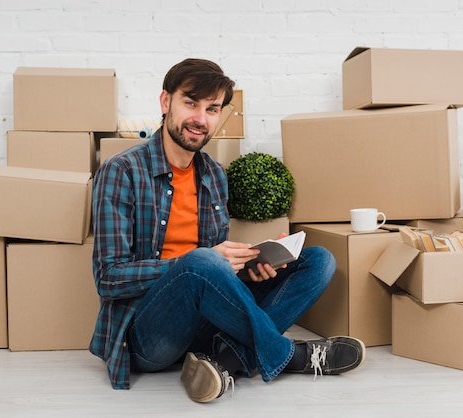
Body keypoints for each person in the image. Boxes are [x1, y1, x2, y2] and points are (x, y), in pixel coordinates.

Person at [89, 58, 366, 403]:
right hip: (149, 334)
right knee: (202, 262)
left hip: (207, 322)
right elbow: (109, 277)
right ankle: (290, 356)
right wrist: (193, 263)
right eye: (190, 103)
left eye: (212, 108)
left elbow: (214, 275)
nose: (200, 119)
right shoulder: (122, 171)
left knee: (318, 261)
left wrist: (253, 264)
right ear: (165, 102)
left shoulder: (214, 175)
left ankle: (225, 361)